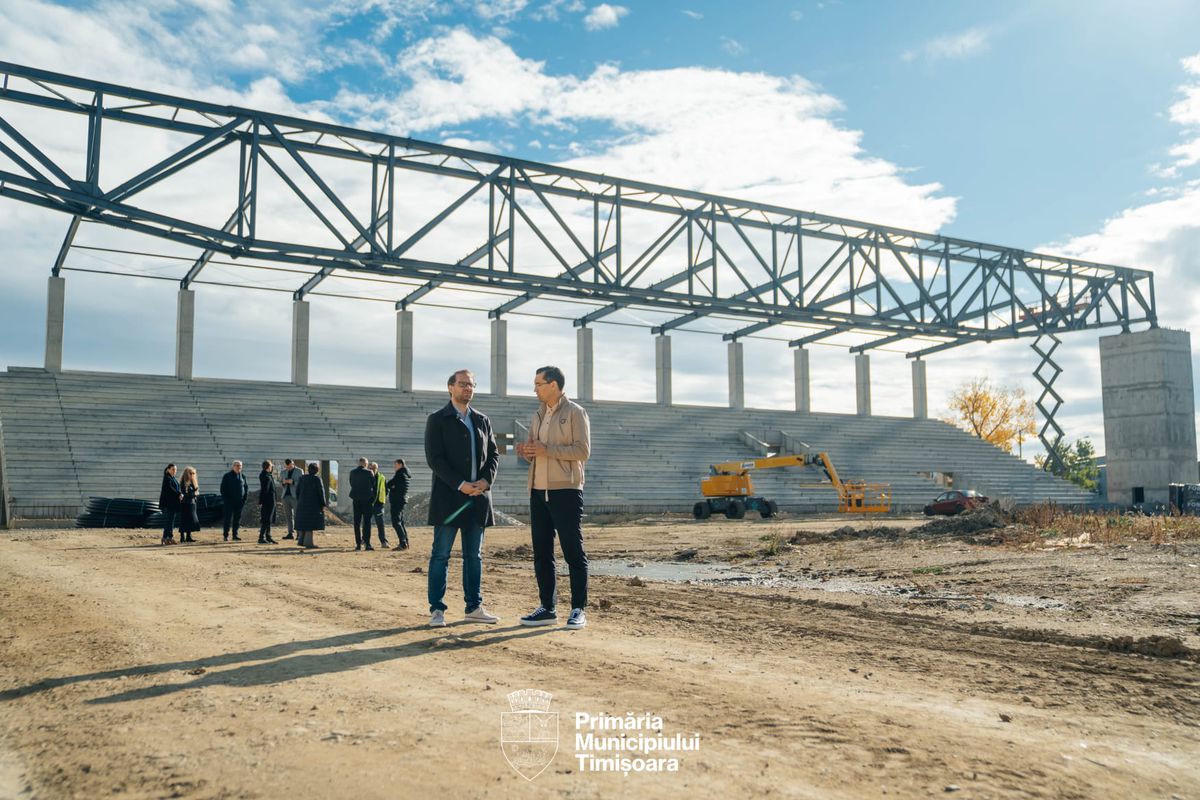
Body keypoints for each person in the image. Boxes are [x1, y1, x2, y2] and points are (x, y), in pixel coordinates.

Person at [516, 365, 592, 631]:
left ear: (553, 385)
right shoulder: (537, 415)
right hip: (537, 491)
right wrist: (526, 451)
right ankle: (547, 608)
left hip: (566, 491)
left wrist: (547, 449)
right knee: (542, 553)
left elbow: (582, 451)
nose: (535, 388)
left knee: (573, 551)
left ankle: (578, 609)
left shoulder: (575, 412)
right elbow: (536, 452)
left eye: (538, 384)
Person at [424, 369, 500, 627]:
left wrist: (485, 481)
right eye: (462, 384)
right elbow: (435, 459)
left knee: (474, 556)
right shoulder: (438, 419)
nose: (467, 388)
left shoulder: (482, 420)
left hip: (477, 498)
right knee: (441, 555)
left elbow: (493, 456)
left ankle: (474, 607)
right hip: (449, 500)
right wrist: (460, 484)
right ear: (450, 388)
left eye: (471, 385)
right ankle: (437, 610)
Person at [294, 462, 326, 550]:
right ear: (316, 470)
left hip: (302, 504)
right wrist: (323, 504)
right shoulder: (317, 479)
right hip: (313, 505)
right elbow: (321, 493)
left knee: (303, 523)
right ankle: (309, 543)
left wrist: (299, 500)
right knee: (310, 525)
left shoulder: (302, 478)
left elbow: (297, 491)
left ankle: (301, 541)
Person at [348, 457, 376, 551]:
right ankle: (367, 544)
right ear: (365, 463)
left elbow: (351, 483)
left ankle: (358, 544)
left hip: (356, 499)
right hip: (367, 499)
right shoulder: (369, 472)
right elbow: (373, 484)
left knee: (357, 522)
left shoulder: (352, 472)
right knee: (367, 522)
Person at [220, 460, 249, 541]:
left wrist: (244, 499)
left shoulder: (243, 476)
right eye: (236, 465)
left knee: (237, 519)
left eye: (240, 465)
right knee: (227, 519)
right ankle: (226, 535)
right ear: (233, 466)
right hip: (229, 502)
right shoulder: (227, 476)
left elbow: (246, 488)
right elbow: (223, 489)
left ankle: (235, 535)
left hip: (239, 502)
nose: (238, 467)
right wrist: (226, 500)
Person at [386, 458, 412, 550]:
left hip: (397, 500)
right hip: (401, 500)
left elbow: (389, 484)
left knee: (396, 522)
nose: (394, 467)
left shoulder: (399, 474)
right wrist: (394, 487)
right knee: (401, 522)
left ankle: (403, 543)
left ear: (400, 465)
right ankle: (405, 542)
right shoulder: (405, 474)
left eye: (395, 465)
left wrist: (392, 488)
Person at [158, 463, 182, 546]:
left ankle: (166, 537)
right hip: (168, 504)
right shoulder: (167, 478)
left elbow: (176, 488)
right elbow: (170, 489)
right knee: (169, 521)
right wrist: (179, 494)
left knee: (170, 521)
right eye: (173, 469)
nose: (174, 471)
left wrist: (179, 493)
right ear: (168, 469)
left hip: (172, 504)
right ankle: (168, 537)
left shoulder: (172, 478)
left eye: (175, 470)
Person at [279, 458, 302, 540]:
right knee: (288, 516)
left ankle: (299, 534)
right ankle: (290, 533)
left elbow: (301, 483)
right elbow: (280, 482)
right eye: (287, 467)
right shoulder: (283, 472)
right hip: (285, 496)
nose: (288, 468)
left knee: (297, 516)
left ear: (293, 464)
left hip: (295, 497)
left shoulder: (299, 471)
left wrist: (293, 482)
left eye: (290, 466)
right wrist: (283, 482)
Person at [369, 461, 390, 549]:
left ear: (376, 468)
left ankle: (383, 542)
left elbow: (386, 490)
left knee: (380, 524)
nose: (372, 470)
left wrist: (381, 499)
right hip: (368, 504)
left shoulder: (382, 477)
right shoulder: (366, 476)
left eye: (373, 468)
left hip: (378, 504)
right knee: (367, 523)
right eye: (370, 468)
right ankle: (364, 539)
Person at [178, 466, 201, 543]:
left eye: (193, 473)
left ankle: (188, 537)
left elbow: (193, 493)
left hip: (192, 504)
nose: (192, 475)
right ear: (186, 474)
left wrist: (194, 493)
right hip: (185, 504)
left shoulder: (192, 482)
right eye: (190, 473)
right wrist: (194, 494)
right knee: (184, 521)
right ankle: (182, 537)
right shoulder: (183, 483)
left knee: (191, 521)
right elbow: (184, 494)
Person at [258, 460, 278, 545]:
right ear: (268, 467)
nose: (272, 467)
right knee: (266, 519)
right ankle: (261, 537)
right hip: (268, 501)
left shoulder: (268, 475)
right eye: (271, 466)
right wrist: (261, 501)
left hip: (271, 500)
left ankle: (268, 536)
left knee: (269, 519)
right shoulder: (265, 476)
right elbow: (264, 490)